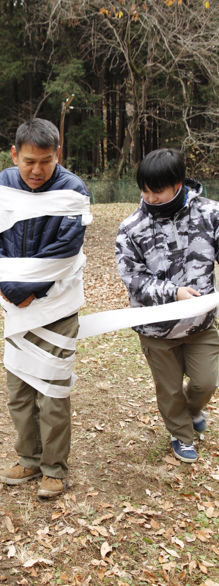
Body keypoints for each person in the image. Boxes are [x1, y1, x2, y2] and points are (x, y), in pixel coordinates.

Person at [0, 118, 91, 497]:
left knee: (53, 388)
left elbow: (64, 250)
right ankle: (29, 459)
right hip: (15, 303)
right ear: (14, 154)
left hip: (56, 305)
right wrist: (12, 289)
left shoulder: (73, 190)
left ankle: (54, 468)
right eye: (28, 161)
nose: (36, 170)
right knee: (19, 388)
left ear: (57, 155)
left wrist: (28, 288)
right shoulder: (3, 184)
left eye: (45, 161)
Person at [116, 148, 219, 463]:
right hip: (155, 328)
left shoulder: (211, 214)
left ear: (178, 183)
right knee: (170, 389)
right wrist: (174, 293)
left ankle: (191, 411)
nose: (150, 197)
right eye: (144, 190)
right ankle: (182, 435)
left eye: (156, 190)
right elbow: (134, 279)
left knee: (205, 382)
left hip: (200, 323)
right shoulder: (131, 228)